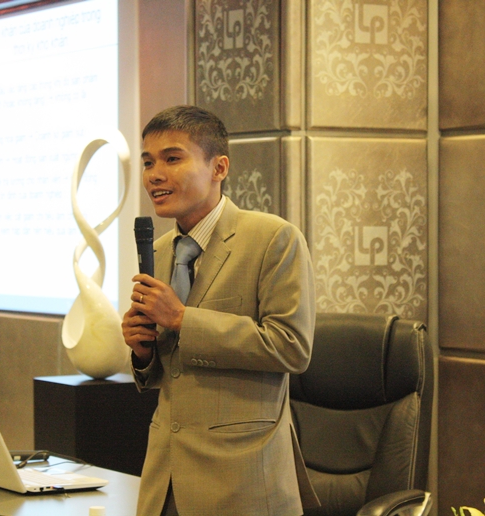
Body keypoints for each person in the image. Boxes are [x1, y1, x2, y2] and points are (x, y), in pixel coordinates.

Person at [121, 105, 319, 516]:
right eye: (148, 162)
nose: (154, 174)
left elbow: (292, 348)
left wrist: (182, 319)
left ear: (219, 167)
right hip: (164, 481)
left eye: (172, 158)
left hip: (242, 484)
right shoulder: (159, 251)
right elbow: (168, 374)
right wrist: (143, 353)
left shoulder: (273, 238)